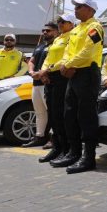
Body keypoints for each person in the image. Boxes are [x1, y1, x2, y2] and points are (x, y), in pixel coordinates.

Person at [52, 0, 104, 174]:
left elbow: (88, 51)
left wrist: (69, 64)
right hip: (74, 74)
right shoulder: (76, 29)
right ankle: (74, 153)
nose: (75, 9)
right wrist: (66, 64)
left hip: (87, 73)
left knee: (86, 116)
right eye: (75, 7)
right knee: (69, 115)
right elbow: (68, 51)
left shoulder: (95, 27)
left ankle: (89, 158)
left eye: (79, 6)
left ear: (90, 9)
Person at [38, 13, 76, 164]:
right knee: (53, 114)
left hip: (62, 76)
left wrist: (48, 69)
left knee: (61, 115)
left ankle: (66, 149)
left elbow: (67, 57)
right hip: (50, 77)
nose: (60, 23)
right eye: (59, 21)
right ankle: (57, 147)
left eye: (63, 21)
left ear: (71, 23)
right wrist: (43, 71)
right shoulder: (58, 38)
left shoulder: (73, 36)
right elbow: (48, 58)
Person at [24, 22, 58, 148]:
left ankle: (54, 138)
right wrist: (31, 72)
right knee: (39, 112)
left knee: (53, 112)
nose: (44, 32)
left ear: (56, 32)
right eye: (43, 30)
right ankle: (40, 136)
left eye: (48, 30)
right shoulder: (40, 46)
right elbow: (31, 61)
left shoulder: (58, 45)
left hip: (49, 82)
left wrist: (43, 73)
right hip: (36, 83)